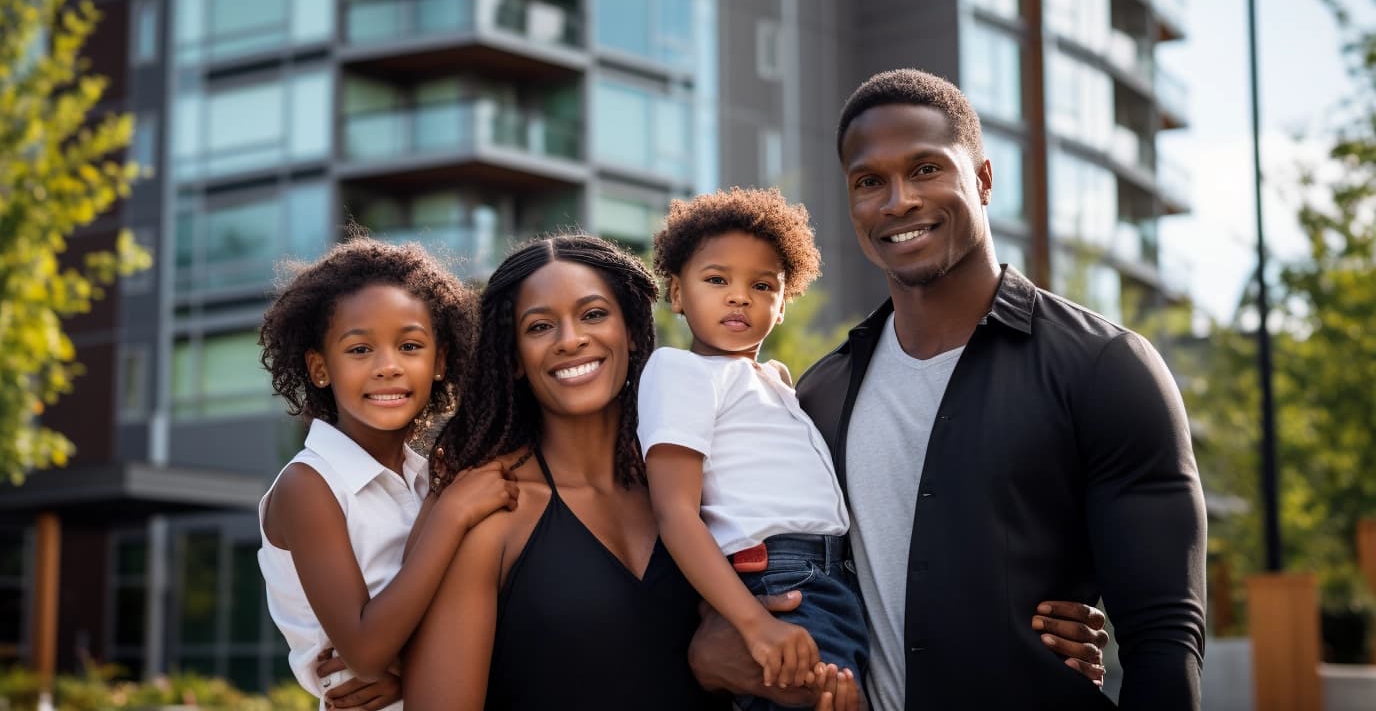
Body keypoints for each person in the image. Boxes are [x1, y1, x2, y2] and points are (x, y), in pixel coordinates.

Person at [692, 68, 1208, 710]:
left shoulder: (1104, 367)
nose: (898, 201)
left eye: (927, 169)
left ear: (984, 180)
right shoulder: (817, 397)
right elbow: (725, 535)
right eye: (869, 181)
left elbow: (1163, 639)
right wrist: (708, 647)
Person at [403, 234, 859, 711]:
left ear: (635, 331)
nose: (571, 339)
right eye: (539, 326)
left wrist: (718, 662)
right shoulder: (491, 511)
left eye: (594, 314)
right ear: (514, 357)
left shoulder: (700, 491)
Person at [257, 237, 519, 711]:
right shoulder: (309, 485)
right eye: (359, 350)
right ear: (319, 367)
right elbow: (365, 648)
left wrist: (405, 674)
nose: (388, 367)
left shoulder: (428, 475)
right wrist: (452, 513)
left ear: (440, 362)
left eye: (411, 345)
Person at [639, 187, 866, 711]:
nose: (739, 296)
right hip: (777, 583)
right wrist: (754, 624)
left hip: (837, 584)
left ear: (783, 304)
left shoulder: (777, 380)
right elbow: (675, 513)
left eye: (762, 285)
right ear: (676, 293)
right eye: (716, 280)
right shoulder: (681, 370)